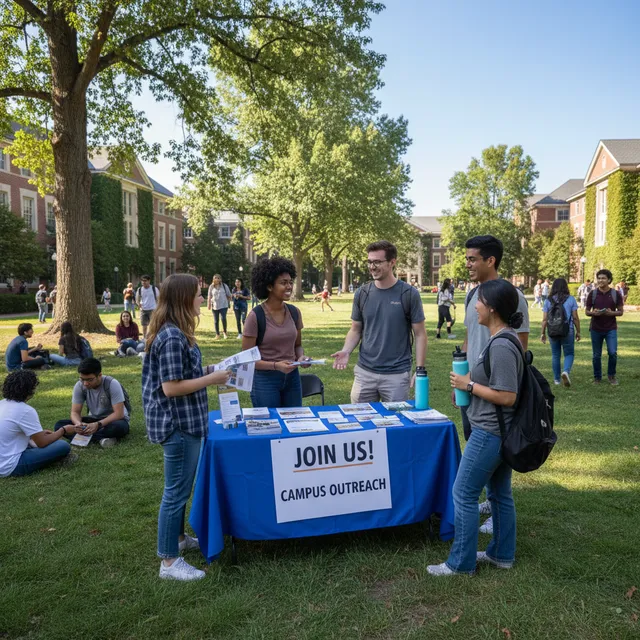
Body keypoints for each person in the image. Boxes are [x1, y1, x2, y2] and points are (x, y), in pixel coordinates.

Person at [428, 279, 524, 576]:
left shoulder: (503, 345)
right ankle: (501, 555)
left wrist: (469, 385)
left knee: (464, 494)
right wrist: (468, 390)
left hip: (490, 433)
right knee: (498, 494)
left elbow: (508, 396)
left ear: (492, 307)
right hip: (498, 430)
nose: (475, 308)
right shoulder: (500, 339)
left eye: (479, 302)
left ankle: (460, 563)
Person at [142, 273, 231, 581]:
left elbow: (185, 372)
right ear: (183, 298)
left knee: (180, 488)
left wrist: (213, 369)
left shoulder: (177, 333)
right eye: (198, 294)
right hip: (177, 424)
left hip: (187, 422)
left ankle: (178, 539)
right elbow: (171, 387)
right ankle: (168, 562)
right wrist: (212, 379)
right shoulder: (171, 337)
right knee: (176, 493)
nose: (203, 298)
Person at [458, 235, 529, 536]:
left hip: (495, 395)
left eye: (473, 259)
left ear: (491, 261)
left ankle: (495, 510)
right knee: (479, 452)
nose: (468, 264)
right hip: (472, 389)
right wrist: (461, 378)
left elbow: (520, 353)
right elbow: (468, 339)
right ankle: (492, 503)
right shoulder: (472, 296)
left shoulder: (513, 298)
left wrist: (478, 385)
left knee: (492, 452)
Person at [332, 240, 427, 403]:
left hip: (397, 375)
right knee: (362, 423)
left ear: (392, 262)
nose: (372, 266)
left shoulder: (408, 294)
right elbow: (356, 329)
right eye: (369, 262)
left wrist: (420, 370)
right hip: (364, 373)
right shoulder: (362, 293)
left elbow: (420, 334)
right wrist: (346, 351)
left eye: (377, 262)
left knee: (397, 424)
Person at [242, 257, 311, 408]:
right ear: (269, 286)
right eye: (283, 283)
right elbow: (246, 359)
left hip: (292, 378)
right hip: (265, 380)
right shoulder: (256, 316)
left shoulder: (294, 312)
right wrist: (276, 365)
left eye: (290, 282)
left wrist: (301, 357)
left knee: (294, 422)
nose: (289, 286)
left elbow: (297, 345)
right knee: (270, 425)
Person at [1, 370, 77, 478]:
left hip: (4, 455)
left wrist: (38, 434)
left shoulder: (2, 404)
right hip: (10, 466)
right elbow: (42, 443)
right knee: (62, 446)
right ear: (29, 390)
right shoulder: (25, 410)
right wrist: (63, 430)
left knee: (35, 441)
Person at [54, 358, 130, 448]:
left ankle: (84, 438)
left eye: (90, 380)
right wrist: (78, 424)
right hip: (94, 420)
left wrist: (97, 425)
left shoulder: (111, 384)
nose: (85, 383)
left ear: (99, 375)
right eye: (82, 379)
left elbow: (119, 414)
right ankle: (103, 439)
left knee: (119, 427)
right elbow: (75, 412)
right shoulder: (79, 385)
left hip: (112, 421)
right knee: (59, 425)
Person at [585, 268, 624, 385]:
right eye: (599, 278)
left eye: (603, 278)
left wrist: (611, 313)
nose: (600, 280)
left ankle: (611, 376)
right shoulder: (593, 293)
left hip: (610, 328)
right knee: (596, 355)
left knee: (612, 353)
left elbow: (621, 312)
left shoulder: (615, 294)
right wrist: (593, 312)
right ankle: (597, 377)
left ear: (609, 280)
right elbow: (587, 311)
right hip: (596, 328)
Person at [541, 278, 580, 387]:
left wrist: (542, 333)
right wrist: (578, 332)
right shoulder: (571, 299)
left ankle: (557, 380)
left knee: (555, 354)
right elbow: (575, 317)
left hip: (552, 330)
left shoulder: (548, 300)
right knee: (569, 353)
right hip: (567, 330)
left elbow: (544, 319)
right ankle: (566, 371)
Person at [207, 274, 231, 340]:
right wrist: (208, 304)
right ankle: (217, 334)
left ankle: (225, 332)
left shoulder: (224, 286)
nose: (217, 279)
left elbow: (229, 295)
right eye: (215, 278)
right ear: (213, 279)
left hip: (223, 305)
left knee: (223, 318)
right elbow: (209, 296)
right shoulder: (211, 287)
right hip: (214, 306)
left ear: (220, 279)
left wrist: (228, 303)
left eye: (218, 278)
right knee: (216, 321)